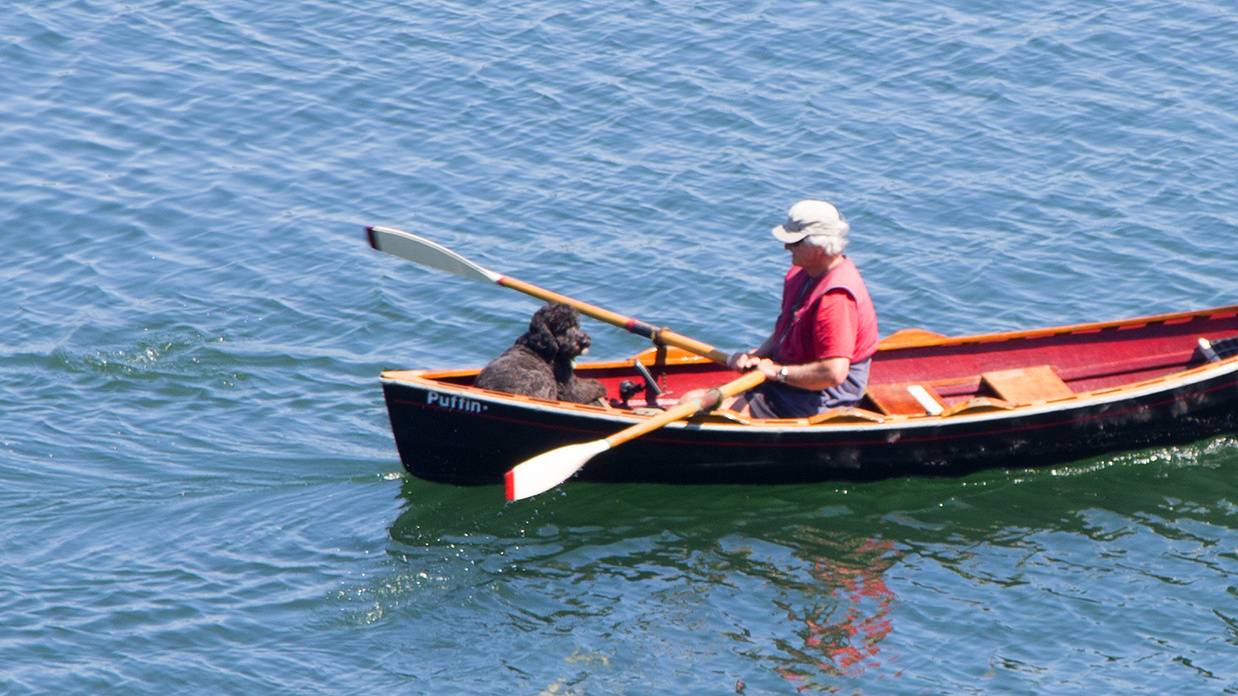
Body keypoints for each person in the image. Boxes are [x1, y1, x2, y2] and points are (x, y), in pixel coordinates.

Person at [726, 199, 879, 418]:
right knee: (691, 400)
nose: (786, 247)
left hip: (822, 397)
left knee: (705, 412)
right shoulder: (802, 273)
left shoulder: (836, 299)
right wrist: (758, 354)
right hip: (790, 378)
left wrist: (779, 372)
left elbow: (833, 373)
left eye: (794, 242)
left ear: (818, 247)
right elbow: (788, 328)